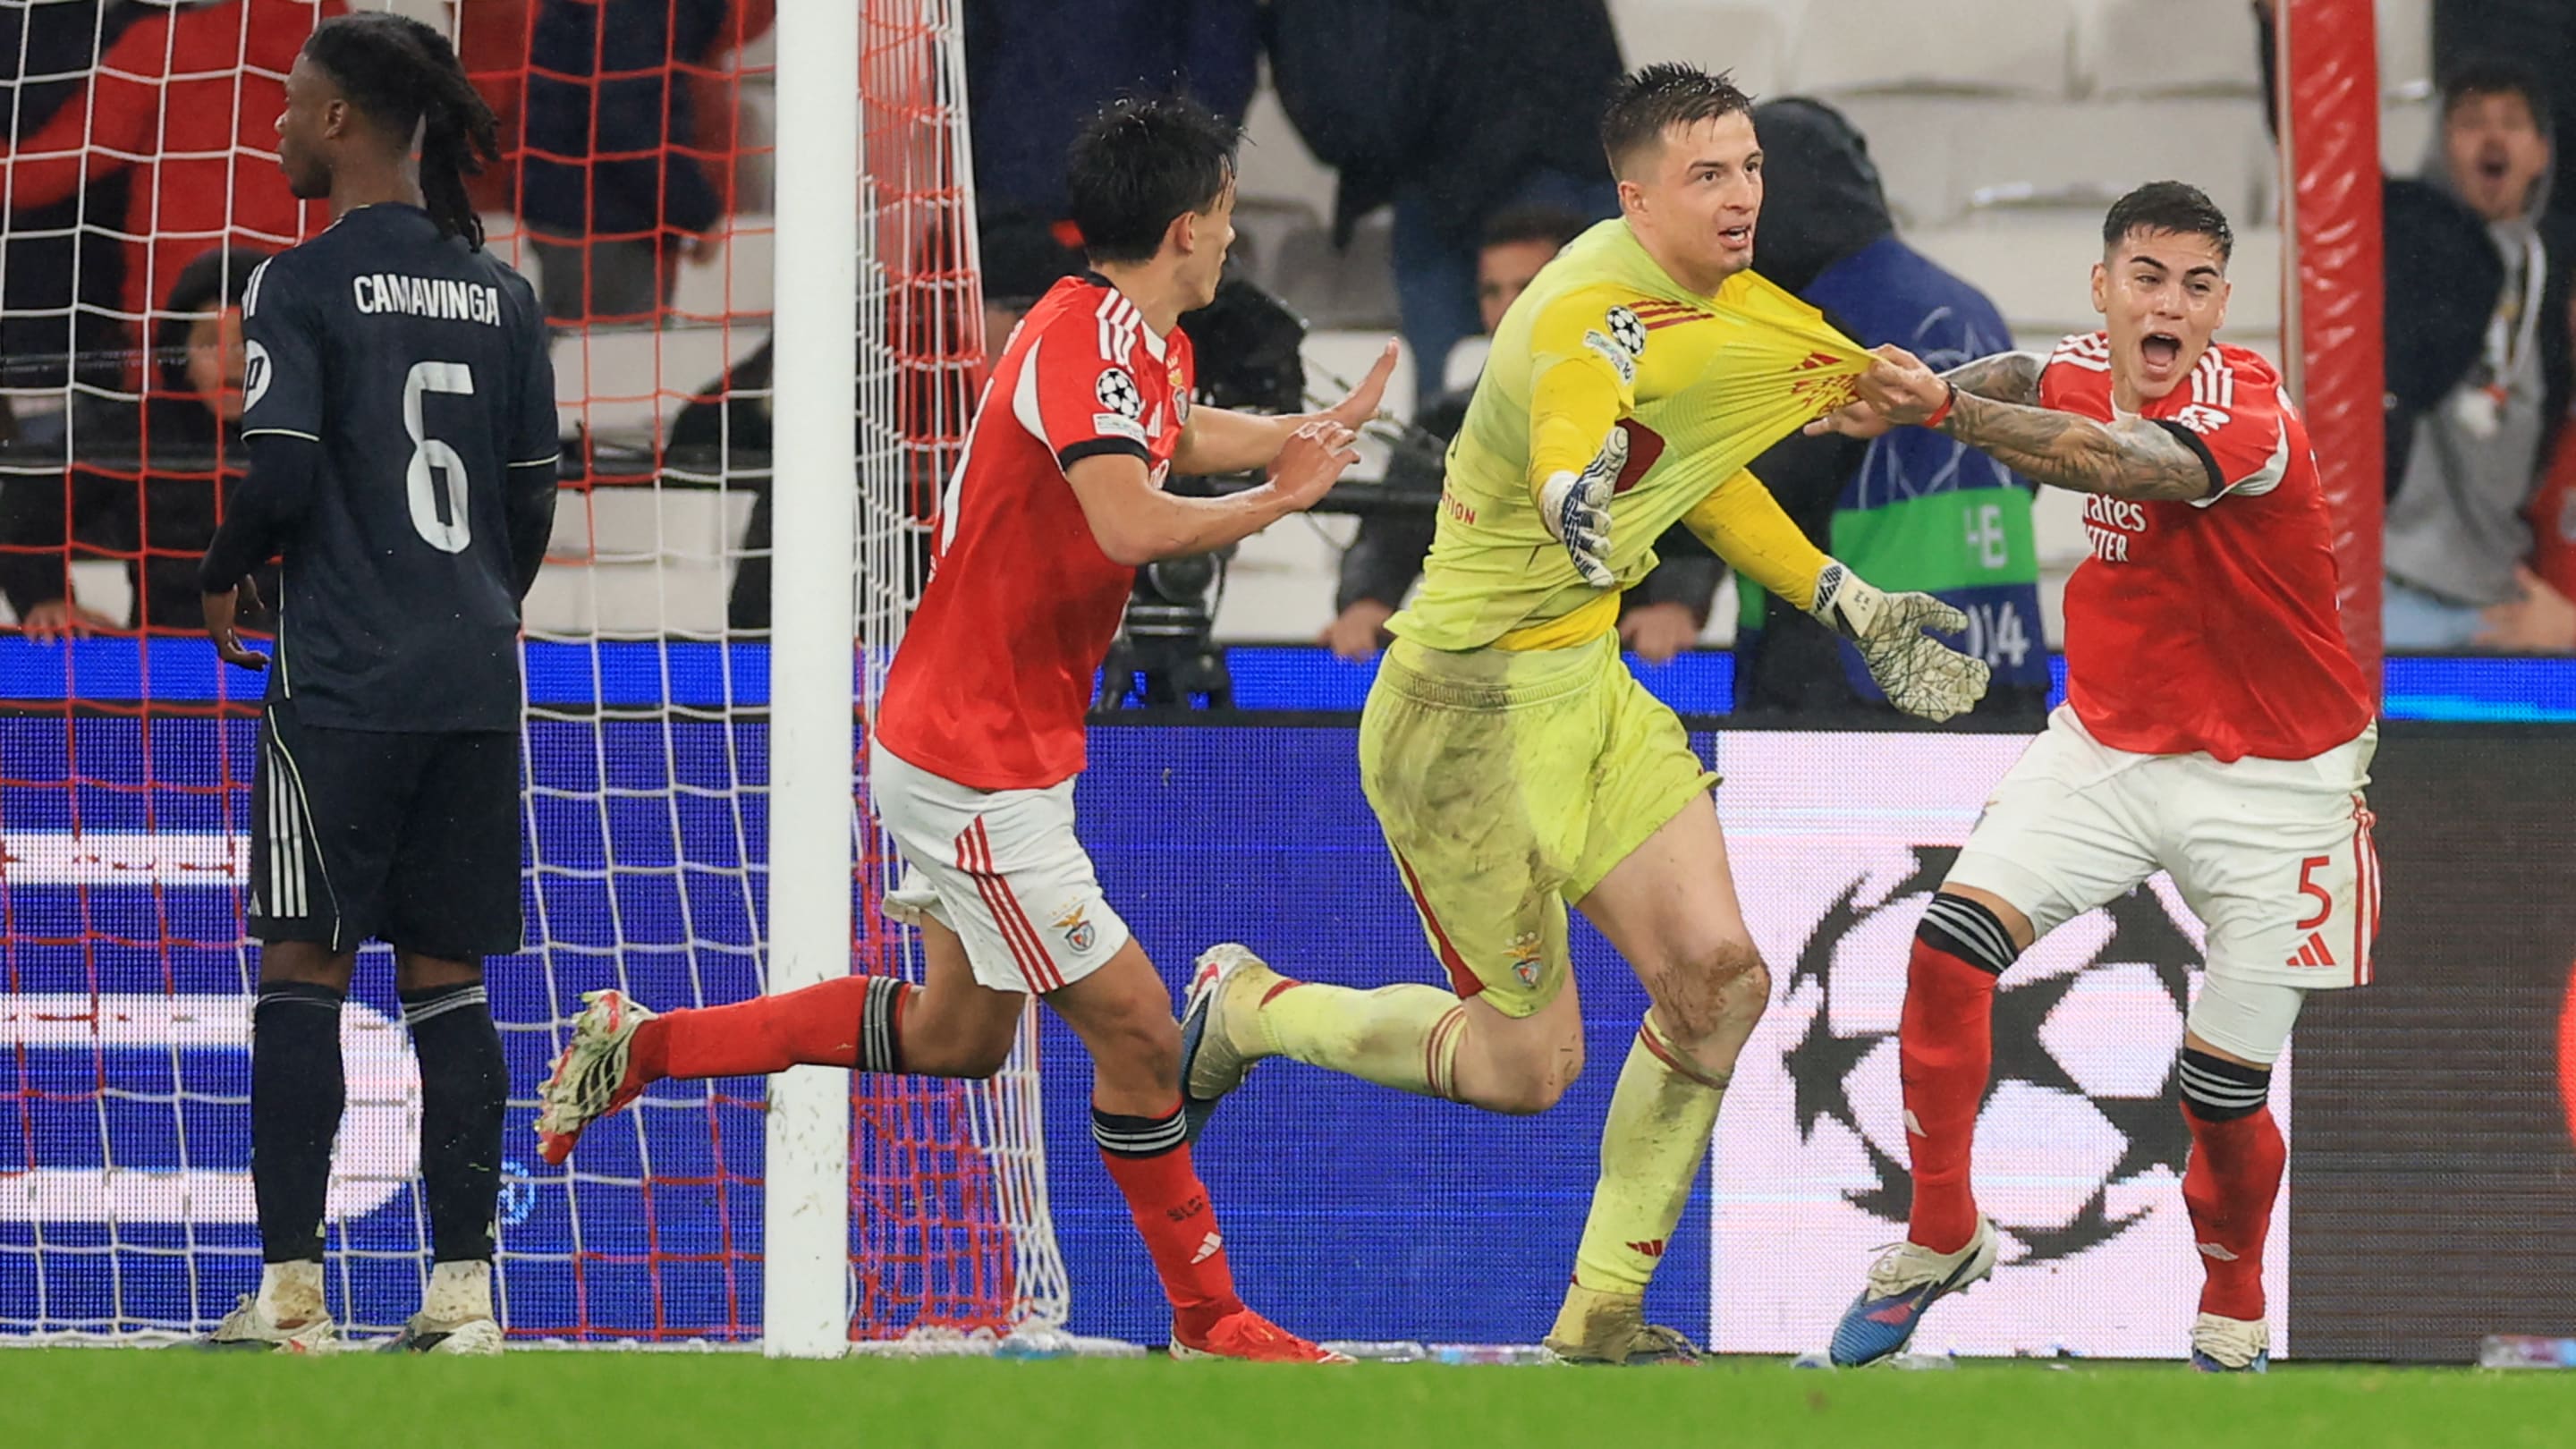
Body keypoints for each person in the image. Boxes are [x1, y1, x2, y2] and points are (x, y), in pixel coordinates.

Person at [531, 93, 1391, 1363]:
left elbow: (1173, 432)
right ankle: (1210, 1319)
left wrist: (1294, 437)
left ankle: (642, 1046)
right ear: (1184, 226)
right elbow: (1128, 522)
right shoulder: (1082, 340)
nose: (1228, 236)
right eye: (1219, 214)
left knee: (956, 1037)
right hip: (972, 763)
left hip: (981, 740)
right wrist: (1279, 496)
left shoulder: (1135, 342)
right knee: (1143, 1031)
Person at [1175, 64, 1987, 1365]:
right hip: (1464, 716)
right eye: (1708, 175)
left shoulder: (1724, 305)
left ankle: (1599, 1314)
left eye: (1750, 169)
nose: (1741, 196)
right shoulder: (1579, 308)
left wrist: (1844, 597)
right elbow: (1574, 426)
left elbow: (1699, 475)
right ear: (1637, 197)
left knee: (1721, 985)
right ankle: (1250, 1009)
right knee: (1527, 1070)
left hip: (1586, 687)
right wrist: (1569, 497)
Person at [1807, 182, 2378, 1373]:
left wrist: (1939, 411)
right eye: (2147, 279)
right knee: (1948, 950)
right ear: (2105, 288)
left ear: (2220, 305)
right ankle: (1941, 1235)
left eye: (2197, 287)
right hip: (2110, 746)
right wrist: (1930, 394)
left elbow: (2116, 459)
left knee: (2220, 1093)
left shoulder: (2248, 414)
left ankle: (2232, 1312)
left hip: (2280, 780)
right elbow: (2039, 376)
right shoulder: (2084, 360)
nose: (2170, 306)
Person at [193, 12, 559, 1355]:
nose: (280, 122)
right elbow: (532, 500)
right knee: (449, 982)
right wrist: (468, 604)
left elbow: (282, 473)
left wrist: (222, 569)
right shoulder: (504, 295)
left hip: (343, 681)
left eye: (294, 102)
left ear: (341, 118)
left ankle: (294, 1297)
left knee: (304, 969)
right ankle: (464, 1298)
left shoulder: (296, 283)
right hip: (471, 679)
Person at [1732, 97, 2048, 717]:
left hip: (1853, 683)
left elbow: (1764, 488)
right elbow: (2031, 466)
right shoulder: (1972, 307)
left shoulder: (1807, 325)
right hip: (2001, 658)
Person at [1322, 205, 1721, 663]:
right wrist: (1366, 601)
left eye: (1526, 288)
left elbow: (1697, 519)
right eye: (1492, 291)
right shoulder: (1447, 420)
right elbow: (1388, 535)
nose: (1506, 308)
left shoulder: (1653, 410)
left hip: (1618, 654)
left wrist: (1675, 605)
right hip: (1487, 662)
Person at [0, 0, 340, 334]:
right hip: (316, 287)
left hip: (188, 307)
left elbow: (41, 171)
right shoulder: (346, 58)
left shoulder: (170, 46)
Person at [0, 248, 278, 635]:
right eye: (210, 342)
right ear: (180, 355)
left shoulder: (325, 433)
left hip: (302, 655)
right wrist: (45, 598)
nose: (233, 360)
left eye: (249, 340)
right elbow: (30, 503)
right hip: (166, 658)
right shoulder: (144, 431)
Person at [519, 0, 772, 325]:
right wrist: (697, 211)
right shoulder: (638, 13)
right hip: (607, 223)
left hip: (584, 210)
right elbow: (626, 121)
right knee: (618, 349)